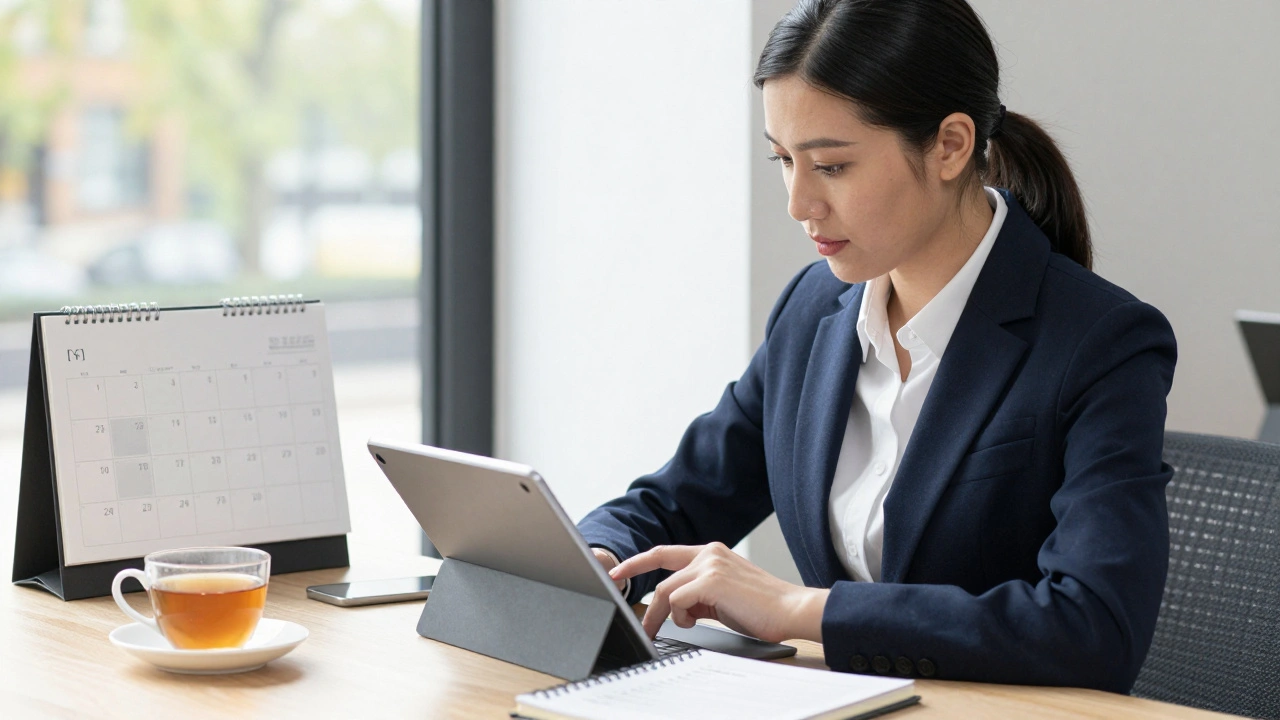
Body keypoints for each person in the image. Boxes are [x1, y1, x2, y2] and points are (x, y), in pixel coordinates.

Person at [577, 0, 1177, 694]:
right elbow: (679, 501)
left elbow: (1094, 628)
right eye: (782, 160)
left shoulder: (1101, 343)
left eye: (831, 167)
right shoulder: (813, 310)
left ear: (950, 146)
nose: (800, 203)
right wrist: (599, 555)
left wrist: (804, 611)